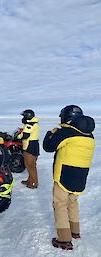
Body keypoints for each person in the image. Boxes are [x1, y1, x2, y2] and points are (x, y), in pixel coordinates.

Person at [43, 105, 95, 250]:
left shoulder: (66, 132)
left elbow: (48, 147)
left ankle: (64, 239)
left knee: (60, 204)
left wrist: (50, 133)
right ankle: (75, 231)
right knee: (72, 202)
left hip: (64, 175)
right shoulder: (89, 135)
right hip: (81, 175)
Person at [16, 109, 40, 189]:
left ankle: (33, 183)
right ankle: (30, 180)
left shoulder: (29, 125)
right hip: (34, 145)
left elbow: (25, 135)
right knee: (30, 165)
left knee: (30, 166)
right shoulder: (34, 124)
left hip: (30, 147)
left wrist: (18, 136)